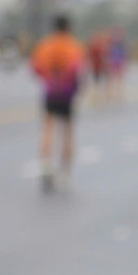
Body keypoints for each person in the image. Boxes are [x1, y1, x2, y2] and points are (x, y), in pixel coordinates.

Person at [29, 14, 86, 193]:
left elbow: (36, 68)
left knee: (48, 127)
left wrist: (49, 79)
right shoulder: (73, 45)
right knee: (68, 131)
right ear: (68, 27)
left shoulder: (46, 44)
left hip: (50, 91)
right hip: (68, 93)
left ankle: (46, 165)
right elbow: (78, 70)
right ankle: (65, 171)